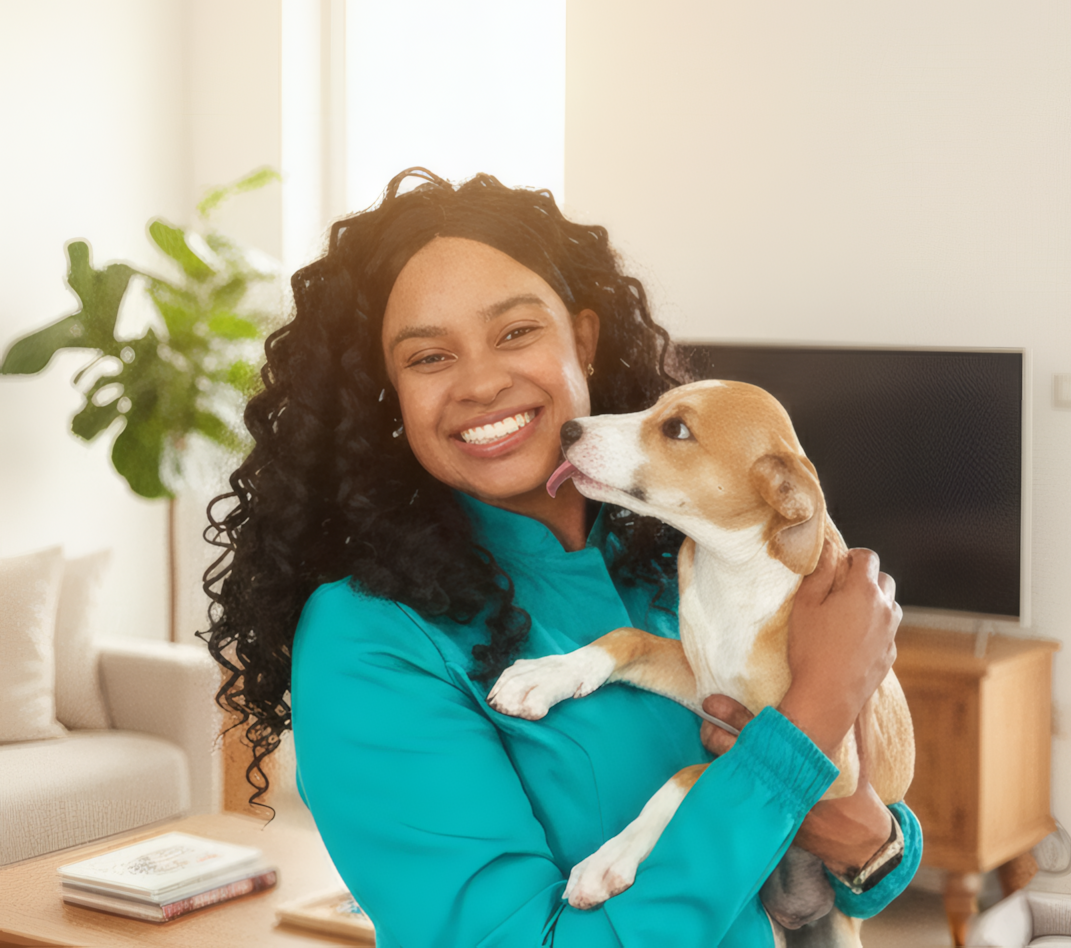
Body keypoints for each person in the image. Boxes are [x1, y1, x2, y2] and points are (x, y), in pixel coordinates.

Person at [202, 168, 921, 947]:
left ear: (581, 337)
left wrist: (876, 847)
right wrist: (817, 709)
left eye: (515, 333)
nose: (481, 382)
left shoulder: (681, 555)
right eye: (428, 358)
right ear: (389, 395)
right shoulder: (368, 639)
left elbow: (864, 860)